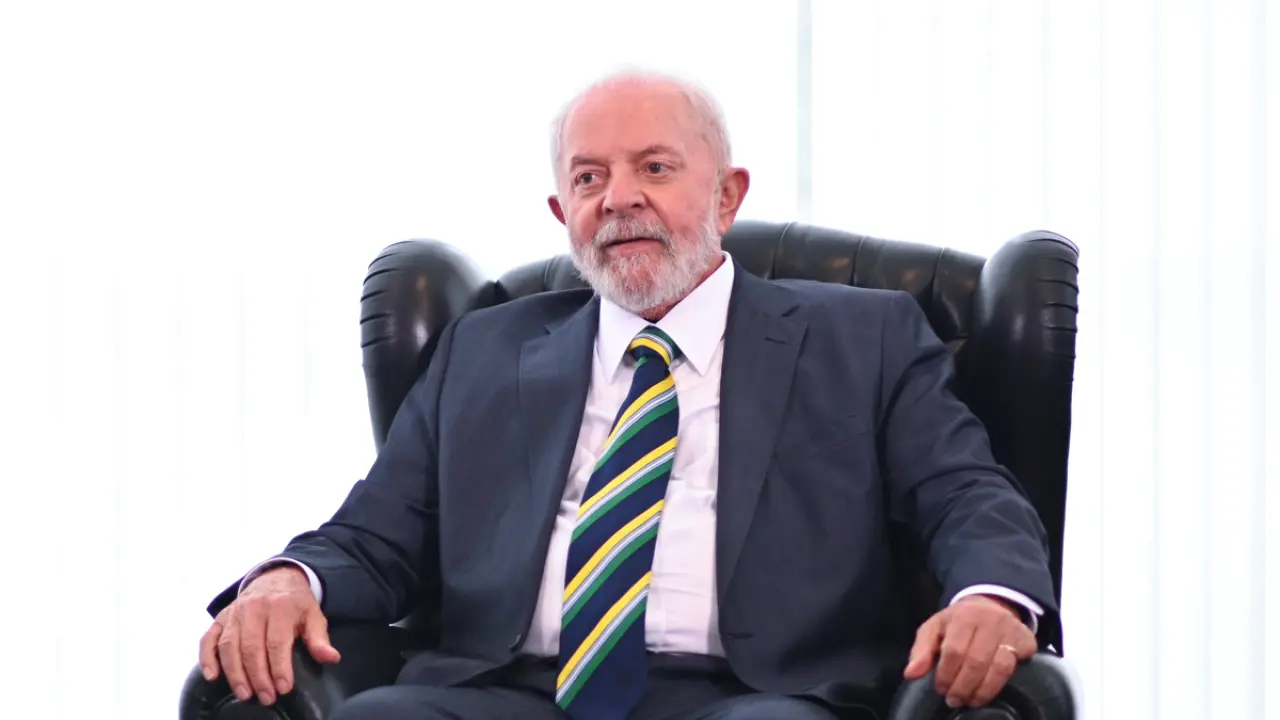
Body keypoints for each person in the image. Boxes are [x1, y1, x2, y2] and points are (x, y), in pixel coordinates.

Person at [198, 69, 1058, 720]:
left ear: (726, 196)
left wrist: (990, 595)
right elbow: (375, 535)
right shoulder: (486, 350)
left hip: (759, 694)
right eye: (588, 178)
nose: (618, 199)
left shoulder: (865, 339)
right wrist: (287, 581)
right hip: (509, 690)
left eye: (655, 167)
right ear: (561, 213)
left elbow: (965, 494)